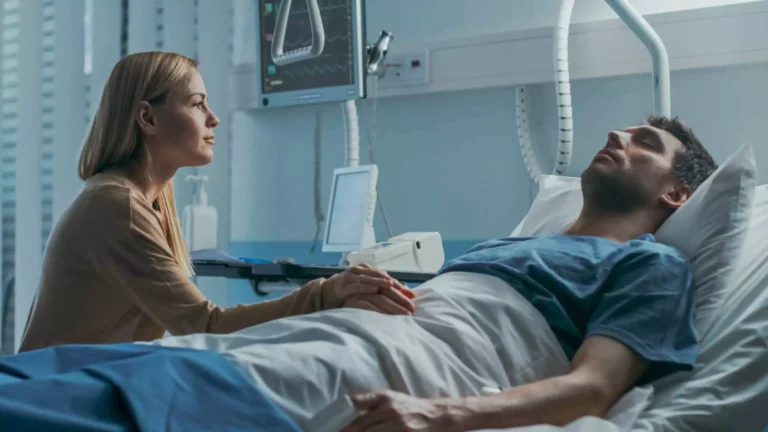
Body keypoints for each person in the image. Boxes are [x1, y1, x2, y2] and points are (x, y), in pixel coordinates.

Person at [18, 52, 415, 353]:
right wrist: (327, 293)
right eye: (196, 103)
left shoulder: (139, 198)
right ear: (147, 118)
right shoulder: (115, 204)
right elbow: (206, 326)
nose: (213, 119)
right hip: (49, 402)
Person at [340, 115, 718, 431]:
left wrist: (436, 413)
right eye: (624, 133)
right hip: (353, 340)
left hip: (394, 381)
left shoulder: (652, 265)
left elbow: (592, 389)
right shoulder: (498, 248)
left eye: (646, 143)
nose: (615, 136)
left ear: (676, 193)